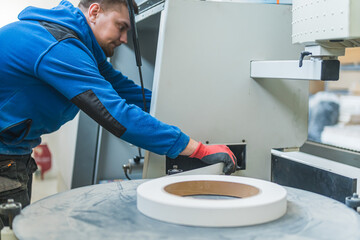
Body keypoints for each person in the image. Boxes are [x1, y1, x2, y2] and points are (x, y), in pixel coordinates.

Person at [0, 0, 237, 225]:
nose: (124, 39)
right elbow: (115, 114)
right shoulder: (58, 46)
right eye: (121, 27)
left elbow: (125, 91)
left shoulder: (79, 45)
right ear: (94, 12)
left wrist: (188, 106)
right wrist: (198, 149)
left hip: (14, 153)